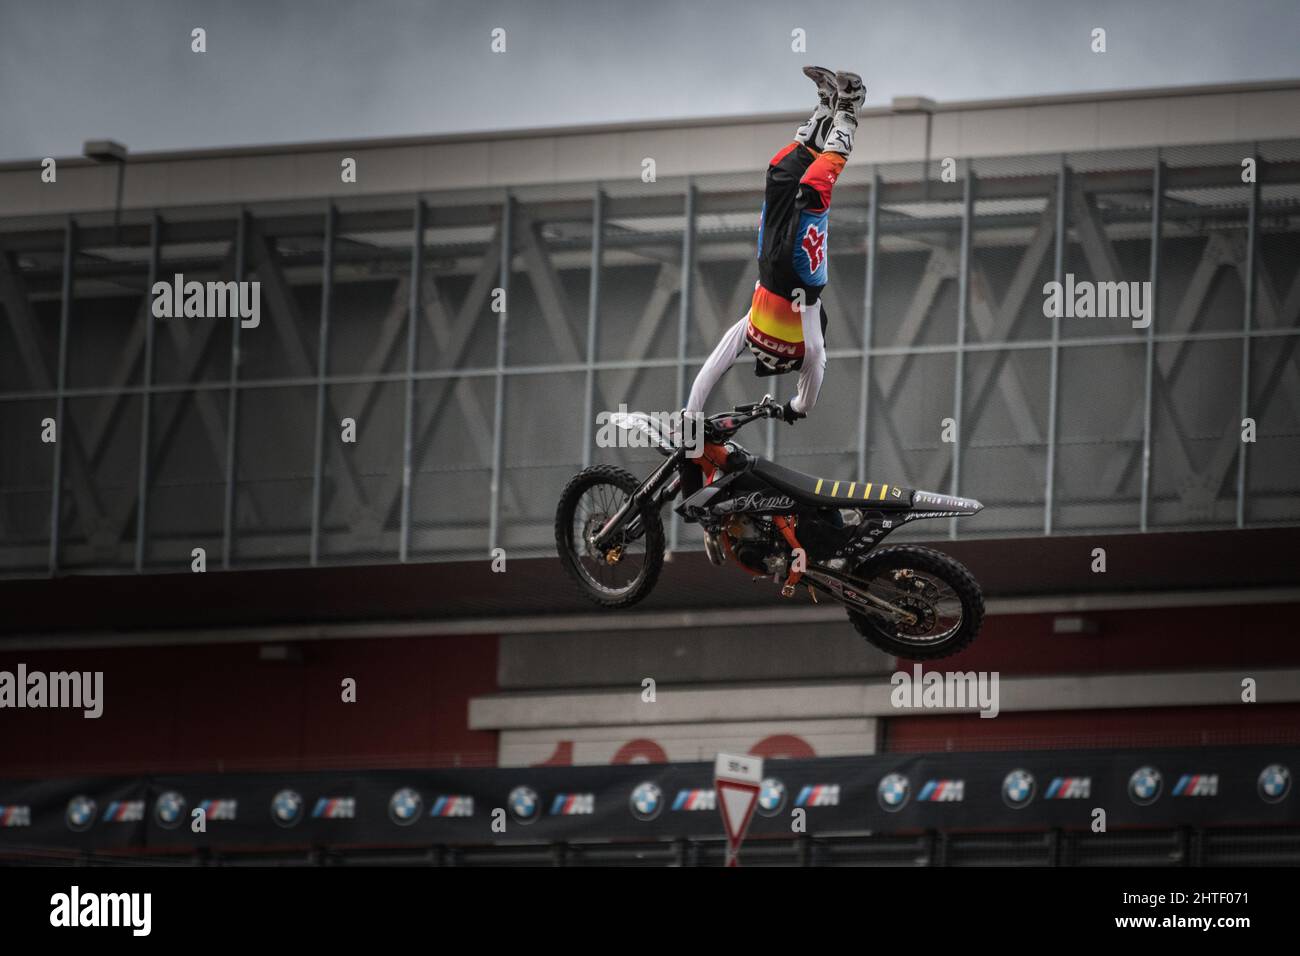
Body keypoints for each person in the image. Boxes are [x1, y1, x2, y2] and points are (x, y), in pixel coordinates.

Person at [680, 67, 864, 499]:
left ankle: (826, 110)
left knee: (780, 174)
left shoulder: (749, 329)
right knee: (813, 188)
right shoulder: (806, 332)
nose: (765, 352)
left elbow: (711, 369)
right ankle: (848, 110)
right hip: (799, 274)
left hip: (770, 266)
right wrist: (797, 407)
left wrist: (692, 412)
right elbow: (816, 359)